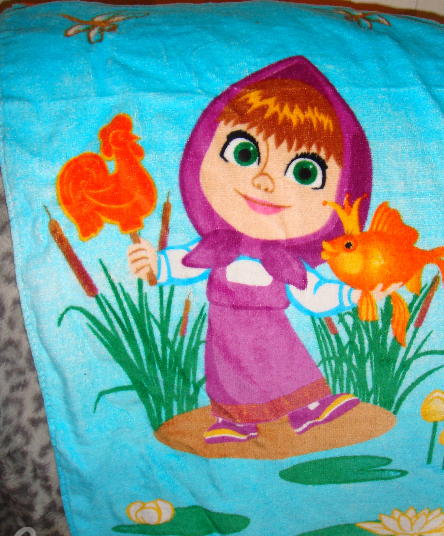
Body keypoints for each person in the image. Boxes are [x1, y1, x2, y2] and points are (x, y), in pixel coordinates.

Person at [128, 56, 396, 444]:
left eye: (305, 172)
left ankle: (307, 408)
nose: (265, 181)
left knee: (286, 362)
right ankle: (233, 420)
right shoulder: (217, 246)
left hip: (272, 332)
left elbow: (315, 292)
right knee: (226, 373)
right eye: (244, 154)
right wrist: (155, 263)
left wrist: (357, 295)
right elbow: (186, 263)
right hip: (225, 331)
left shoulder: (284, 261)